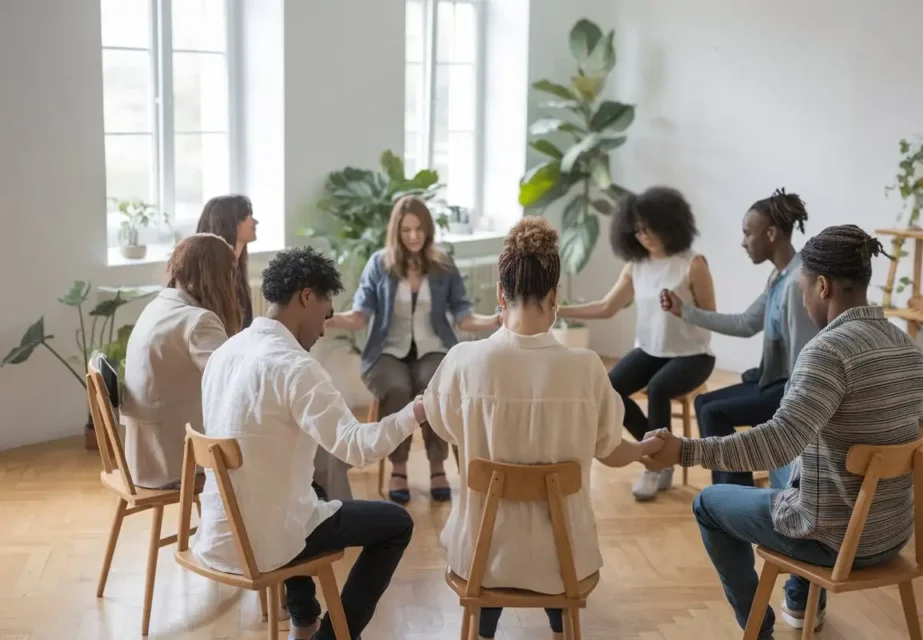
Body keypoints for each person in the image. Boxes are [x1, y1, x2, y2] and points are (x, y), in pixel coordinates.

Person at [642, 225, 923, 639]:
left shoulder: (828, 351)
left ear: (823, 286)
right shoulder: (907, 348)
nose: (803, 297)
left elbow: (775, 441)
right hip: (892, 534)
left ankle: (758, 630)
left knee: (709, 504)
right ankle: (800, 599)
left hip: (836, 541)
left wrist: (685, 451)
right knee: (790, 471)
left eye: (804, 289)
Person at [421, 217, 664, 640]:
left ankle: (483, 630)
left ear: (500, 293)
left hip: (480, 556)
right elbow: (609, 449)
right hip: (563, 560)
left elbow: (445, 427)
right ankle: (560, 627)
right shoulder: (586, 367)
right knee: (555, 561)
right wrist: (646, 448)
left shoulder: (463, 361)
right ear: (554, 296)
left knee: (491, 562)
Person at [193, 247, 427, 640]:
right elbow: (357, 448)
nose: (323, 328)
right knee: (396, 524)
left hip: (219, 533)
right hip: (265, 541)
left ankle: (303, 621)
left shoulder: (225, 352)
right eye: (326, 312)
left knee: (312, 490)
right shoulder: (296, 368)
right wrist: (414, 414)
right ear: (306, 296)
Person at [328, 196, 500, 504]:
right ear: (396, 231)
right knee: (396, 387)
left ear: (428, 229)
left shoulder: (443, 264)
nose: (413, 236)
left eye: (419, 229)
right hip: (386, 352)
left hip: (434, 347)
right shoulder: (379, 264)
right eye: (406, 229)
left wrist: (498, 319)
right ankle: (398, 467)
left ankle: (437, 465)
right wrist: (322, 317)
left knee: (435, 387)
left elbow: (463, 315)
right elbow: (359, 316)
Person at [558, 186, 716, 501]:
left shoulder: (692, 264)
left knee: (658, 388)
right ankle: (659, 450)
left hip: (692, 354)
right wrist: (557, 309)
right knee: (609, 390)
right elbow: (606, 307)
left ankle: (656, 467)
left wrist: (681, 308)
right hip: (650, 350)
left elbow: (711, 318)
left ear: (671, 225)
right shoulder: (636, 265)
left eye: (651, 228)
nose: (644, 236)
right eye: (638, 230)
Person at [660, 188, 819, 488]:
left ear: (771, 234)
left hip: (786, 391)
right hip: (770, 382)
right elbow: (746, 323)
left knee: (712, 410)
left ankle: (732, 496)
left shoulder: (796, 283)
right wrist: (685, 311)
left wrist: (793, 419)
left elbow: (803, 359)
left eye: (748, 233)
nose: (743, 242)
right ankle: (731, 493)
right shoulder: (779, 277)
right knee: (705, 403)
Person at [121, 233, 241, 489]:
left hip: (141, 458)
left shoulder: (158, 306)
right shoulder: (197, 321)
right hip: (175, 462)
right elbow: (234, 383)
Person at [196, 194, 259, 329]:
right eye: (249, 216)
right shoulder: (213, 277)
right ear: (232, 224)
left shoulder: (237, 270)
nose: (255, 222)